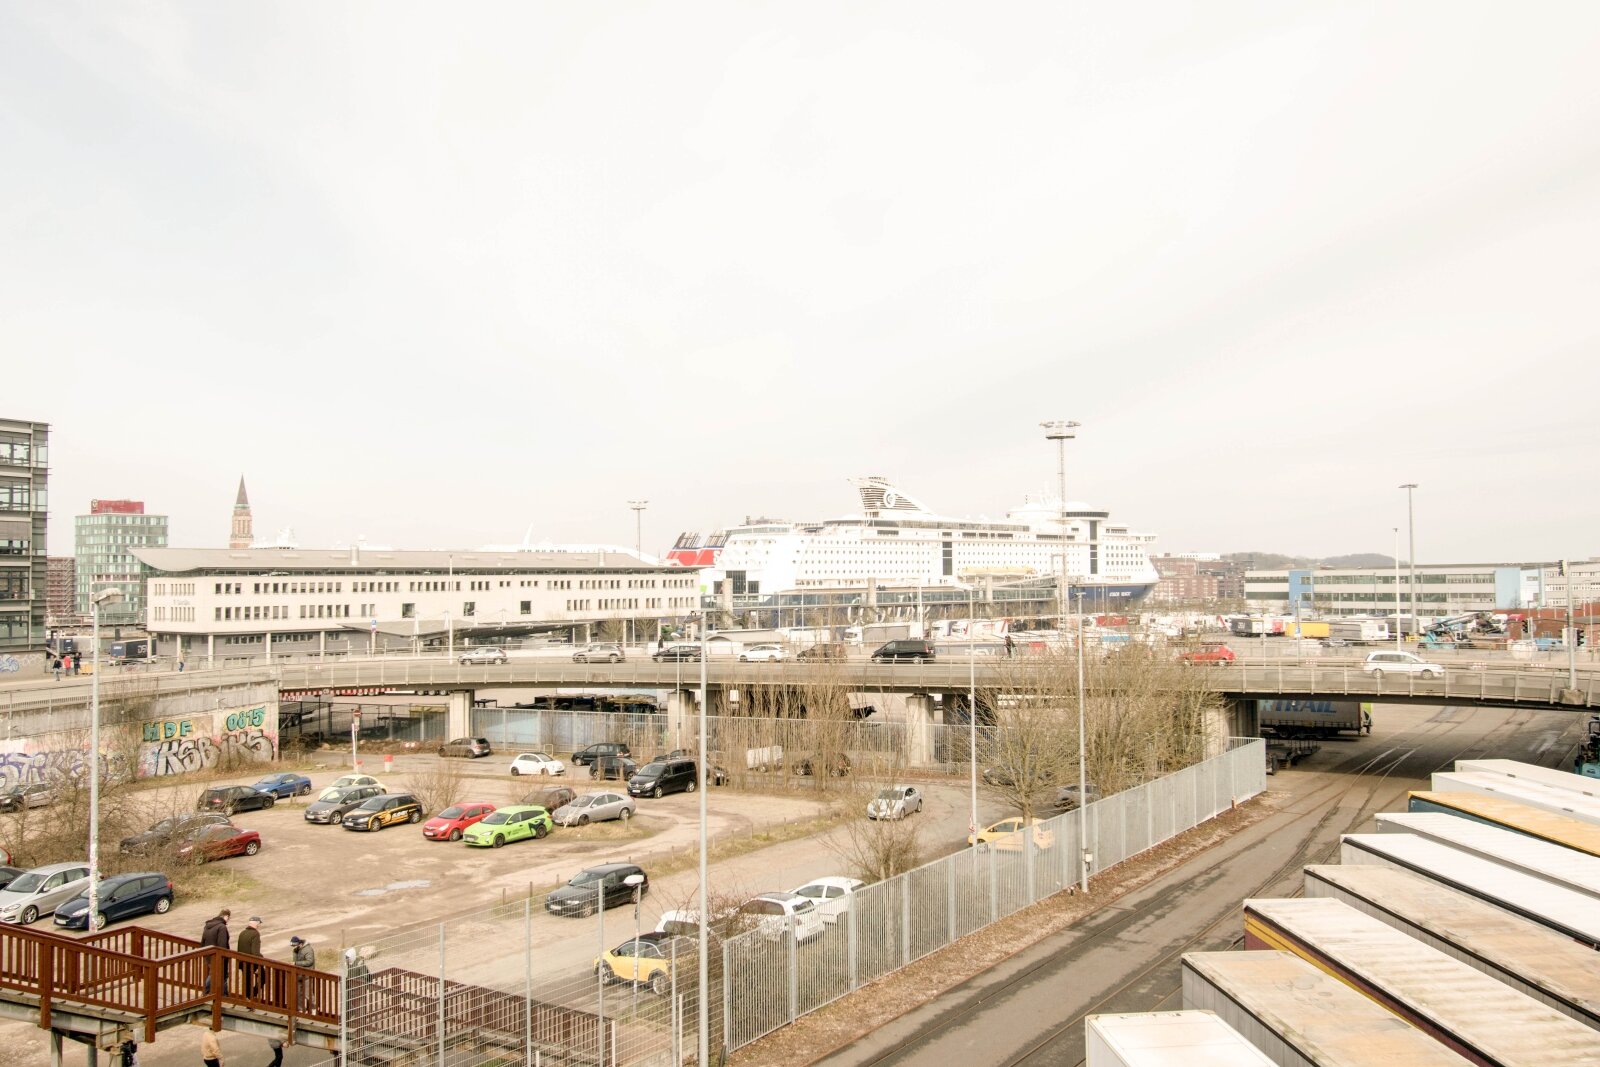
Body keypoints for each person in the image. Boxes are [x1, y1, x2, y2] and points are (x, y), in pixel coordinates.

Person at [200, 909, 230, 992]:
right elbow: (222, 944)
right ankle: (206, 991)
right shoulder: (222, 927)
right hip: (218, 956)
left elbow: (203, 940)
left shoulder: (207, 926)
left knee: (220, 974)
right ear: (226, 916)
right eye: (228, 918)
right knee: (216, 974)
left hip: (208, 954)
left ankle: (224, 994)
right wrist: (224, 956)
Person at [237, 917, 264, 998]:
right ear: (256, 923)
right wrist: (261, 960)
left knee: (247, 981)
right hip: (251, 962)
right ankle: (253, 994)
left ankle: (247, 998)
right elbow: (255, 952)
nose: (259, 925)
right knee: (263, 976)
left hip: (242, 962)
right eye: (259, 923)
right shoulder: (255, 934)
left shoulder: (242, 933)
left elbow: (239, 948)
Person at [290, 936, 316, 1012]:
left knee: (308, 994)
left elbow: (309, 962)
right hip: (299, 975)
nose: (294, 947)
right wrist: (295, 952)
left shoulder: (308, 949)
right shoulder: (296, 950)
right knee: (298, 994)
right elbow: (295, 960)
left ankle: (313, 1009)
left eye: (295, 945)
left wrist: (296, 963)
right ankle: (300, 1010)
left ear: (300, 944)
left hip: (307, 974)